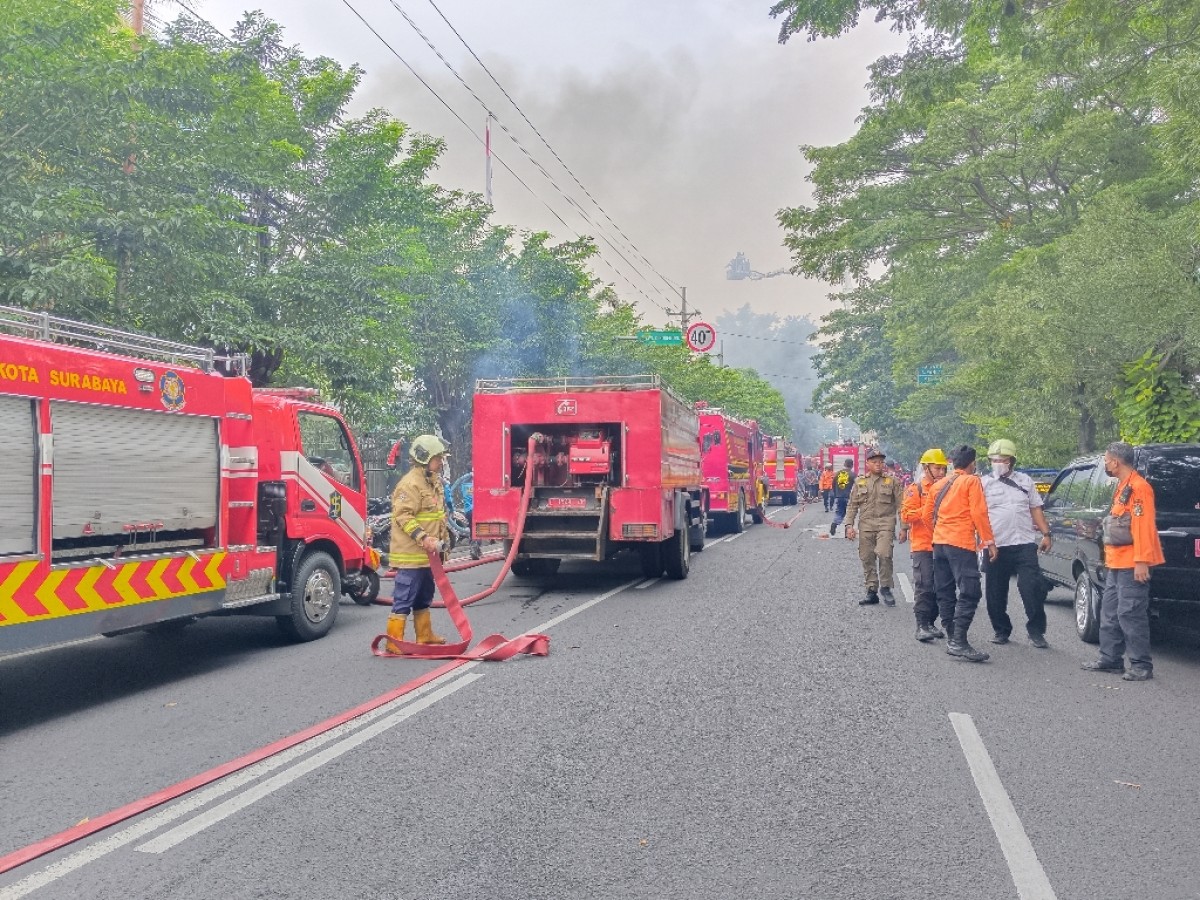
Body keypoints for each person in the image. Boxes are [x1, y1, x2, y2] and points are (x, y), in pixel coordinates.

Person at [1082, 441, 1164, 681]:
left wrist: (1141, 561)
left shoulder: (1139, 488)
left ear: (1116, 462)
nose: (1106, 465)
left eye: (1107, 461)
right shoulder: (1123, 487)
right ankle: (1110, 659)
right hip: (1117, 563)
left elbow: (1143, 526)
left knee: (1131, 613)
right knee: (1109, 612)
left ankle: (1141, 665)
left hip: (1131, 563)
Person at [923, 444, 998, 662]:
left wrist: (938, 533)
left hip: (939, 544)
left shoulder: (940, 484)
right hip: (961, 543)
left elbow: (927, 515)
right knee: (971, 591)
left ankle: (952, 636)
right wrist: (989, 541)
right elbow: (979, 512)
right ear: (972, 463)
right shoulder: (971, 481)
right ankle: (958, 640)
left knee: (945, 591)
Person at [980, 439, 1054, 648]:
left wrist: (1046, 534)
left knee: (1030, 586)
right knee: (995, 591)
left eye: (1002, 459)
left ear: (1011, 461)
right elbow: (978, 514)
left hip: (1024, 542)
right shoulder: (983, 484)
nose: (998, 463)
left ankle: (1036, 631)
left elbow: (1036, 508)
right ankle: (1001, 630)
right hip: (996, 545)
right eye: (994, 459)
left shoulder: (1025, 481)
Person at [384, 434, 452, 653]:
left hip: (428, 556)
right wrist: (424, 538)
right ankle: (394, 641)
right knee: (404, 596)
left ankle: (424, 635)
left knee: (424, 595)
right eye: (438, 458)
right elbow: (403, 516)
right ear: (424, 458)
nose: (441, 462)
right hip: (412, 555)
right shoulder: (410, 484)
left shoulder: (432, 481)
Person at [844, 448, 906, 606]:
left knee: (884, 554)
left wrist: (904, 528)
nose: (878, 464)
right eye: (874, 462)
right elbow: (852, 505)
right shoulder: (860, 482)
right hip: (866, 525)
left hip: (885, 523)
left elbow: (902, 506)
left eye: (880, 462)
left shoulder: (892, 482)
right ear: (868, 463)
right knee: (867, 557)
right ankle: (871, 591)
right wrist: (849, 525)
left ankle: (886, 587)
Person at [901, 448, 949, 641]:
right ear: (926, 468)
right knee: (925, 585)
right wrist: (926, 509)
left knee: (941, 587)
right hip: (922, 545)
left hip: (943, 543)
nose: (941, 473)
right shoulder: (916, 489)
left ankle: (931, 622)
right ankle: (921, 625)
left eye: (943, 469)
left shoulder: (946, 487)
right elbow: (906, 515)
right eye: (937, 469)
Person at [829, 458, 856, 535]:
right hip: (849, 497)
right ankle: (847, 532)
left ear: (844, 464)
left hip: (839, 496)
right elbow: (857, 486)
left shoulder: (838, 473)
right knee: (849, 514)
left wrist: (835, 494)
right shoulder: (853, 474)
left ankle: (834, 523)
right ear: (852, 465)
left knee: (839, 511)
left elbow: (833, 484)